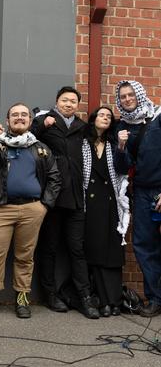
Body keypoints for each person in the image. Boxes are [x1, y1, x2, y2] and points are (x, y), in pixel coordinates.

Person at [0, 103, 60, 318]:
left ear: (30, 121)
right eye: (15, 115)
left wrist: (44, 205)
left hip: (32, 209)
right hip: (2, 208)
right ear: (7, 120)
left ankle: (22, 297)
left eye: (24, 115)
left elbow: (54, 178)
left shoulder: (40, 147)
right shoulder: (0, 143)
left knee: (25, 256)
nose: (19, 118)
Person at [31, 86, 99, 319]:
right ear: (57, 101)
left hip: (77, 197)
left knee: (76, 249)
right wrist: (42, 124)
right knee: (49, 247)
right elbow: (28, 136)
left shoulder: (82, 128)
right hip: (52, 195)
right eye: (64, 100)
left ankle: (84, 297)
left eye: (73, 101)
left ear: (77, 105)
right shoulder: (45, 122)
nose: (69, 104)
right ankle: (50, 294)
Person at [113, 80, 161, 317]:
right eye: (123, 96)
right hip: (141, 193)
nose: (127, 99)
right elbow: (122, 167)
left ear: (140, 95)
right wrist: (121, 146)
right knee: (144, 246)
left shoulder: (158, 117)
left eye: (131, 94)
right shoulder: (121, 126)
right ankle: (154, 299)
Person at [83, 106, 129, 317]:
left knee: (112, 250)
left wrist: (121, 145)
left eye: (109, 116)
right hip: (89, 202)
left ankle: (113, 301)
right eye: (101, 114)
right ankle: (104, 301)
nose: (105, 118)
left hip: (111, 201)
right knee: (95, 248)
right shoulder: (83, 141)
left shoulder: (113, 144)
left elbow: (122, 169)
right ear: (93, 119)